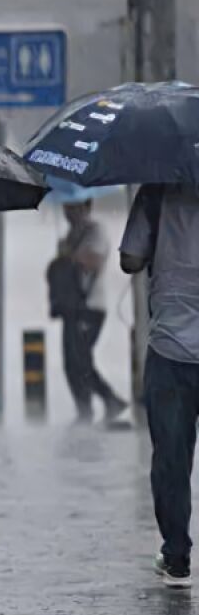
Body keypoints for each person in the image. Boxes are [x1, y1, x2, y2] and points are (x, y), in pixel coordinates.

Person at [120, 184, 199, 589]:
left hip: (170, 349)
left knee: (171, 457)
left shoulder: (155, 192)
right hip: (170, 347)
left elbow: (131, 259)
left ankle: (177, 556)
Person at [49, 199, 128, 424]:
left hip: (91, 307)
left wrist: (69, 255)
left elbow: (92, 260)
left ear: (87, 207)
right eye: (67, 206)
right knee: (70, 362)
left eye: (75, 207)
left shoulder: (96, 231)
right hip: (71, 308)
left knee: (81, 360)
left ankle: (109, 400)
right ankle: (84, 410)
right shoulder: (68, 236)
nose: (69, 212)